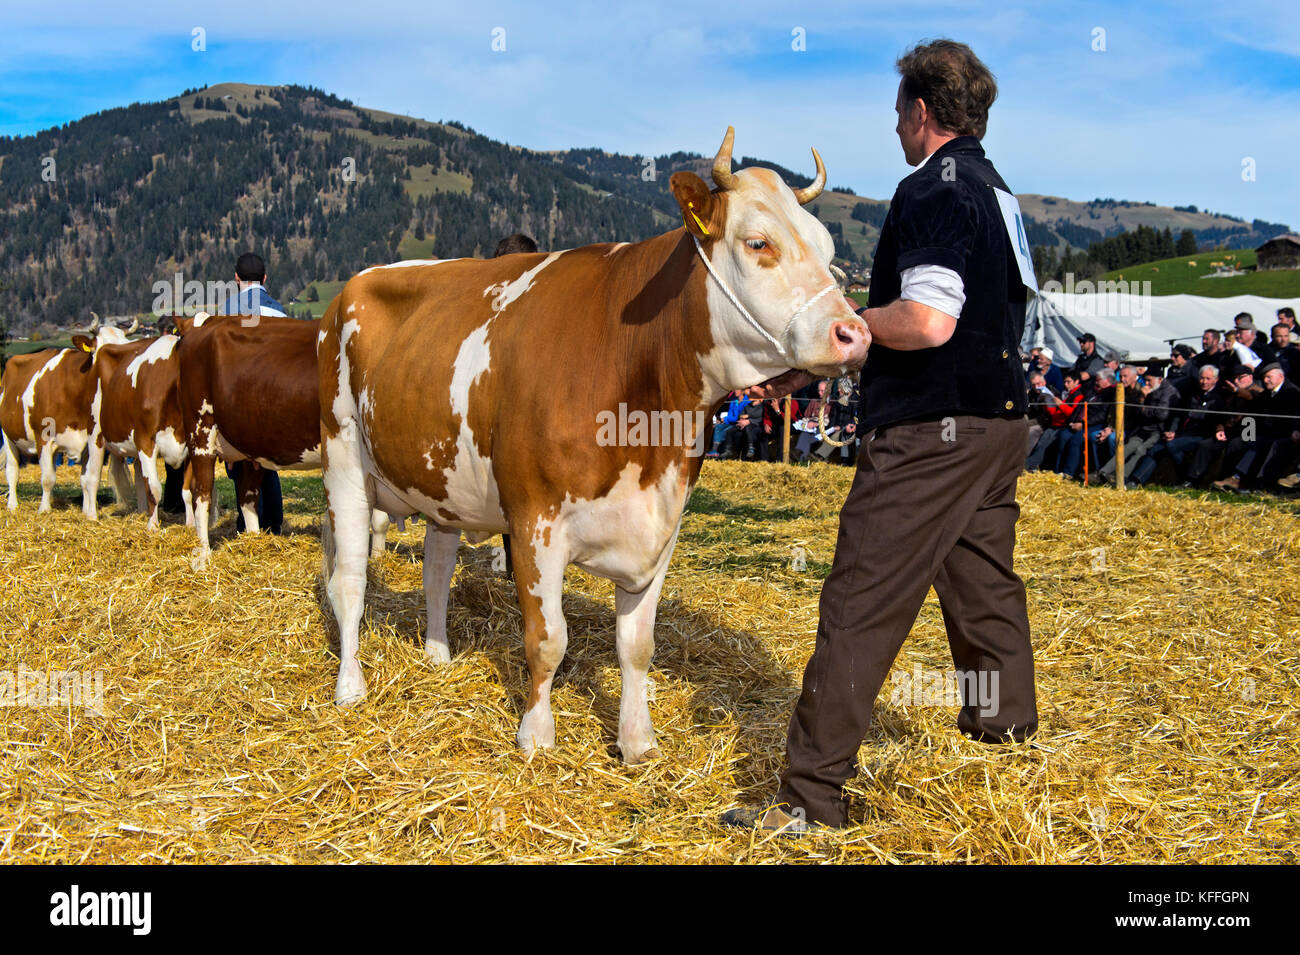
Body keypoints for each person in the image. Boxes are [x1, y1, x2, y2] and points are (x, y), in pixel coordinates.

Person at [723, 39, 1037, 833]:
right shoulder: (999, 194)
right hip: (999, 422)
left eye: (899, 110)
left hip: (931, 431)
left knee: (862, 599)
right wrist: (830, 363)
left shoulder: (932, 186)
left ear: (921, 111)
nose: (895, 124)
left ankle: (808, 796)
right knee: (983, 585)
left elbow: (928, 320)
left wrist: (853, 326)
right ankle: (1007, 744)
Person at [219, 253, 293, 534]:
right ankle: (273, 521)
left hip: (236, 400)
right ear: (265, 279)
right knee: (266, 462)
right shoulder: (280, 313)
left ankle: (250, 523)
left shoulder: (224, 314)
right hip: (274, 399)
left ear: (236, 279)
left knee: (242, 465)